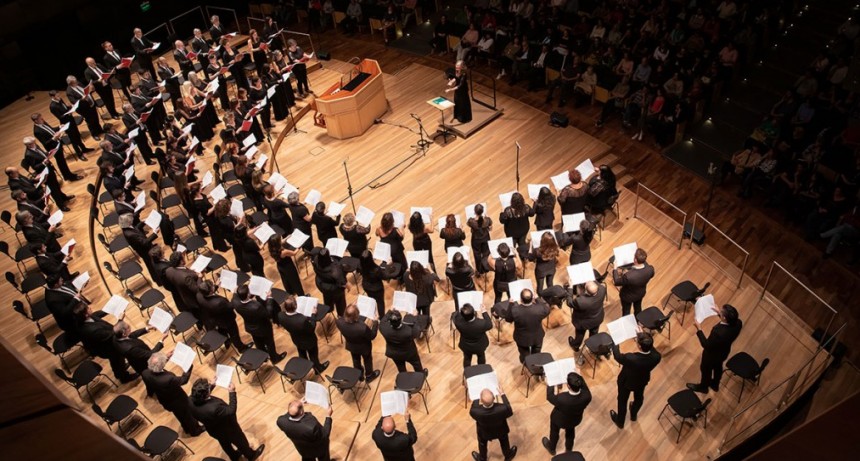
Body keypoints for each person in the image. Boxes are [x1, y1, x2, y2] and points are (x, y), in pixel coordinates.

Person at [189, 378, 265, 461]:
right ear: (206, 393)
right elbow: (231, 411)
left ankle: (234, 456)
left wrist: (212, 386)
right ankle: (251, 455)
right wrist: (232, 392)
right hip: (228, 428)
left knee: (224, 443)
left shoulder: (190, 400)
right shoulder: (214, 409)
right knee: (241, 441)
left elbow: (202, 396)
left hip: (213, 430)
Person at [142, 352, 204, 436]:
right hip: (178, 401)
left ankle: (186, 428)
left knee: (180, 415)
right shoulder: (168, 379)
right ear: (161, 365)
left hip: (165, 400)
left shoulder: (145, 373)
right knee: (188, 415)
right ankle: (195, 431)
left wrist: (165, 358)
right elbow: (183, 380)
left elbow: (157, 366)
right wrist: (189, 367)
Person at [72, 303, 137, 383]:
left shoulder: (83, 319)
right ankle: (124, 378)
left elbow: (96, 315)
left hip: (106, 343)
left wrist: (109, 310)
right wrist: (120, 321)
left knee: (117, 361)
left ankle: (120, 371)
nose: (90, 308)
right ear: (85, 315)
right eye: (88, 308)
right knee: (117, 360)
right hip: (107, 348)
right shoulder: (92, 330)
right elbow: (110, 334)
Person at [610, 332, 662, 429]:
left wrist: (615, 342)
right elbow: (652, 349)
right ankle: (633, 414)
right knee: (639, 398)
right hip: (641, 381)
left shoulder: (631, 358)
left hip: (626, 382)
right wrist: (645, 338)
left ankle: (620, 422)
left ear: (639, 346)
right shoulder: (657, 357)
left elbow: (617, 356)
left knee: (622, 401)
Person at [688, 304, 744, 393]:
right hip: (723, 352)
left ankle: (703, 387)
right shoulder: (738, 323)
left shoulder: (718, 333)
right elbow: (729, 324)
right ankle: (715, 384)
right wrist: (719, 313)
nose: (719, 311)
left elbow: (706, 345)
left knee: (705, 369)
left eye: (721, 312)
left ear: (725, 318)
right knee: (718, 367)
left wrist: (699, 329)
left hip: (711, 356)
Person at [233, 285, 286, 363]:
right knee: (270, 343)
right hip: (263, 328)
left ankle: (263, 357)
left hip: (250, 327)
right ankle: (275, 359)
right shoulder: (256, 306)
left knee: (258, 342)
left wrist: (236, 292)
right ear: (248, 295)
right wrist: (269, 298)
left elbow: (235, 296)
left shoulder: (235, 302)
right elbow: (268, 314)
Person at [542, 372, 592, 455]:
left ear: (568, 386)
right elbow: (583, 384)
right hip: (575, 419)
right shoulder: (587, 396)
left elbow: (550, 396)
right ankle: (568, 450)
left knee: (554, 432)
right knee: (570, 432)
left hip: (559, 420)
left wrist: (549, 383)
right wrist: (578, 377)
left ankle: (552, 448)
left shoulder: (562, 398)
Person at [277, 297, 330, 374]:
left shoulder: (280, 315)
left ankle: (304, 369)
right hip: (309, 341)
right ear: (295, 306)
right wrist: (313, 315)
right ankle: (318, 369)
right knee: (313, 355)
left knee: (302, 353)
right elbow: (311, 327)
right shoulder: (302, 320)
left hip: (296, 339)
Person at [196, 280, 249, 352]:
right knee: (234, 335)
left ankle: (227, 341)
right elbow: (231, 306)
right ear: (211, 291)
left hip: (215, 318)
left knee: (222, 330)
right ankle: (241, 348)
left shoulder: (199, 295)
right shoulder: (219, 303)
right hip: (227, 320)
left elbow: (209, 293)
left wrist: (216, 286)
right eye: (212, 286)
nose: (213, 285)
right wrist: (235, 294)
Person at [469, 385, 518, 461]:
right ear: (494, 397)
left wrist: (476, 397)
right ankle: (508, 456)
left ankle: (482, 458)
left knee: (482, 444)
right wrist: (502, 394)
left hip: (484, 432)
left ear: (481, 401)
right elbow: (509, 410)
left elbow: (473, 409)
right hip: (501, 430)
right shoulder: (502, 408)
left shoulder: (475, 411)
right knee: (504, 442)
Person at [336, 303, 381, 382]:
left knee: (355, 359)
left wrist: (351, 308)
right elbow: (372, 335)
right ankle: (369, 375)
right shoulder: (362, 327)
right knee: (367, 360)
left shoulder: (339, 322)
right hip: (364, 347)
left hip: (351, 346)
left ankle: (359, 375)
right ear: (357, 316)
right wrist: (375, 322)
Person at [504, 288, 550, 363]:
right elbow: (547, 308)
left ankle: (526, 363)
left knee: (525, 356)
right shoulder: (540, 309)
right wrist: (537, 298)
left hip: (522, 339)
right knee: (536, 354)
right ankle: (534, 364)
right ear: (532, 298)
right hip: (537, 337)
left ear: (521, 300)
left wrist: (511, 304)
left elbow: (508, 319)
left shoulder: (515, 310)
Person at [380, 309, 426, 374]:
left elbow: (382, 321)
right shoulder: (408, 331)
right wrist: (415, 317)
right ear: (401, 320)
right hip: (409, 353)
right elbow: (417, 331)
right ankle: (421, 374)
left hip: (394, 353)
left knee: (400, 367)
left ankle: (404, 376)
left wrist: (390, 311)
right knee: (416, 364)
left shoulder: (383, 328)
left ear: (389, 321)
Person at [566, 281, 606, 354]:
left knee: (580, 334)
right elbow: (597, 284)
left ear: (586, 291)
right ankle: (592, 347)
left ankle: (576, 346)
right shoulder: (602, 289)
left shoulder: (581, 301)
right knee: (594, 333)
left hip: (583, 322)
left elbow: (569, 302)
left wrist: (570, 288)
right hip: (597, 318)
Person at [612, 248, 655, 316]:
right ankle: (637, 320)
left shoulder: (629, 276)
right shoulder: (650, 269)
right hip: (640, 293)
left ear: (635, 259)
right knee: (638, 308)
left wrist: (615, 269)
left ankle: (627, 324)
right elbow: (650, 275)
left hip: (627, 297)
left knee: (626, 311)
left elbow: (617, 282)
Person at [453, 303, 493, 367]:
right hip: (480, 346)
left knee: (467, 358)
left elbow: (455, 315)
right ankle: (481, 370)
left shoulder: (458, 322)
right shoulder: (481, 323)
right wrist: (484, 311)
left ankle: (467, 372)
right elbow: (490, 325)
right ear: (474, 313)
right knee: (481, 356)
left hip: (466, 346)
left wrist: (461, 310)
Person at [499, 192, 534, 260]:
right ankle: (523, 257)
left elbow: (502, 220)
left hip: (511, 232)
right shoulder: (526, 207)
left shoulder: (508, 210)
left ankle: (513, 259)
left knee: (512, 246)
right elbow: (532, 213)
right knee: (522, 244)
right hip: (523, 230)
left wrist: (501, 212)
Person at [313, 248, 347, 317]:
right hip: (335, 289)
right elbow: (342, 283)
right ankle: (341, 314)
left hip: (322, 284)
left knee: (327, 296)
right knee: (340, 301)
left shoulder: (316, 260)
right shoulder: (335, 270)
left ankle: (329, 308)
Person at [377, 212, 408, 278]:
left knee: (395, 260)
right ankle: (402, 276)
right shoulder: (395, 231)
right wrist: (402, 228)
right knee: (402, 263)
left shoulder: (379, 229)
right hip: (396, 250)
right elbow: (401, 237)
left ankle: (397, 271)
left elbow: (377, 234)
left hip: (387, 249)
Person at [467, 204, 493, 275]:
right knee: (486, 253)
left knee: (477, 255)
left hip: (476, 240)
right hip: (485, 238)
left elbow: (468, 223)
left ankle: (479, 270)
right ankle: (486, 267)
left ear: (475, 212)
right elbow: (490, 228)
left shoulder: (471, 221)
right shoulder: (487, 220)